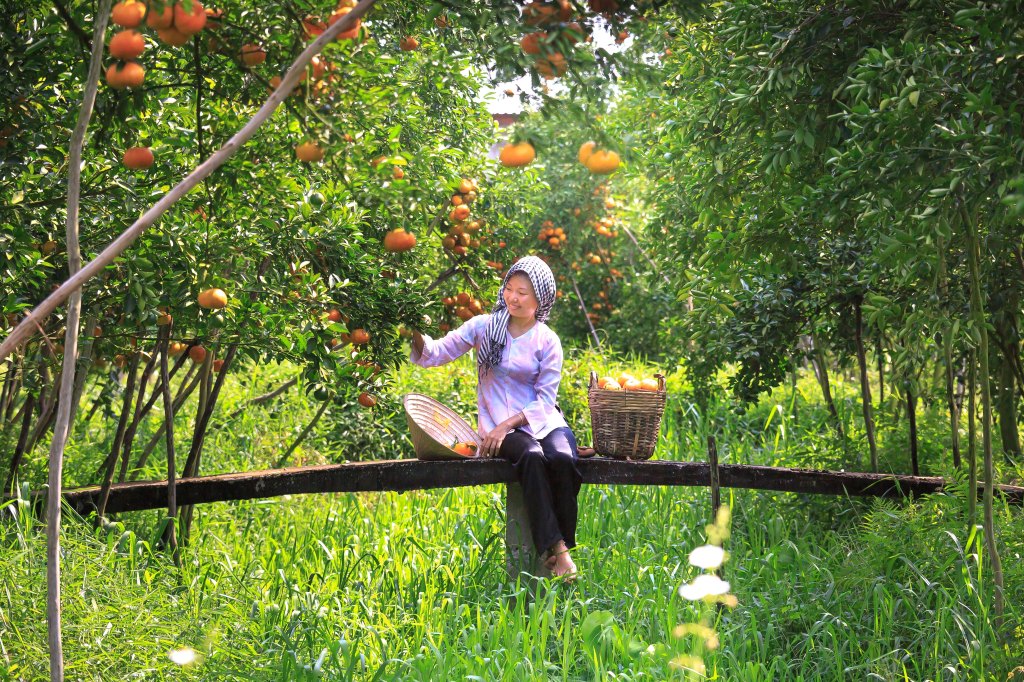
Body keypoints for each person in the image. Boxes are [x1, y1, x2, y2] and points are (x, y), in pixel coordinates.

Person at [410, 256, 580, 579]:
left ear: (540, 299)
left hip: (541, 421)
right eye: (509, 289)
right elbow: (436, 353)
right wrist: (413, 326)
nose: (513, 298)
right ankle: (559, 551)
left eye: (523, 293)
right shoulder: (484, 327)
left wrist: (508, 424)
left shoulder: (547, 341)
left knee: (562, 458)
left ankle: (557, 547)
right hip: (497, 427)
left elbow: (545, 400)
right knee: (532, 457)